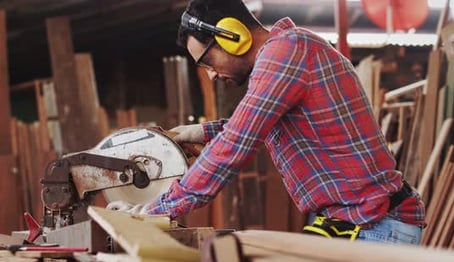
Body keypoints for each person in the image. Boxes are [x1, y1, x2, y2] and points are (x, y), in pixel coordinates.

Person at [108, 0, 425, 245]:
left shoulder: (285, 53)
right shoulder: (287, 53)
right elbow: (264, 123)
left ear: (233, 36)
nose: (212, 75)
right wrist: (197, 132)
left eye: (207, 61)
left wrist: (155, 211)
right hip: (362, 221)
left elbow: (234, 146)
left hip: (375, 225)